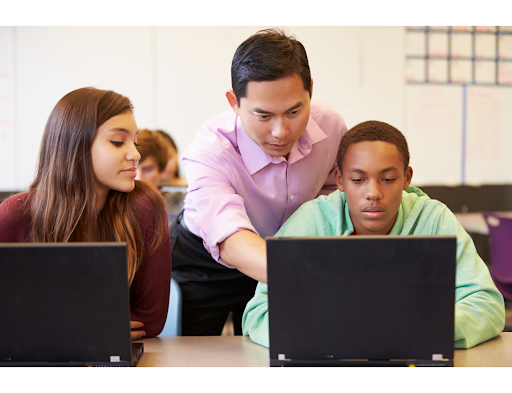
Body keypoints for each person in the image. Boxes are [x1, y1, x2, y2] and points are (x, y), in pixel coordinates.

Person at [242, 120, 506, 349]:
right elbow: (259, 313)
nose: (373, 193)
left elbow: (487, 305)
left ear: (406, 178)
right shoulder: (312, 221)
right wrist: (338, 331)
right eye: (358, 180)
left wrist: (424, 328)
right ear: (341, 180)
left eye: (388, 179)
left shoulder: (434, 219)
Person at [172, 28, 347, 336]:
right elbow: (229, 238)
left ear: (310, 91)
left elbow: (334, 196)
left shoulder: (330, 126)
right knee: (194, 355)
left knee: (271, 354)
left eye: (294, 111)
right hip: (206, 263)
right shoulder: (209, 151)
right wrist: (314, 275)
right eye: (263, 116)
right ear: (234, 103)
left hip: (286, 258)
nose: (281, 131)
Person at [0, 87, 172, 339]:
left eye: (134, 142)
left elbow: (149, 320)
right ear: (75, 145)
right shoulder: (14, 215)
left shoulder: (145, 207)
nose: (135, 154)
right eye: (117, 142)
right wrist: (88, 328)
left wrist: (51, 325)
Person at [135, 129, 185, 223]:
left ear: (162, 171)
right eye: (133, 169)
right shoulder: (110, 204)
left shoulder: (179, 203)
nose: (139, 178)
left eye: (147, 169)